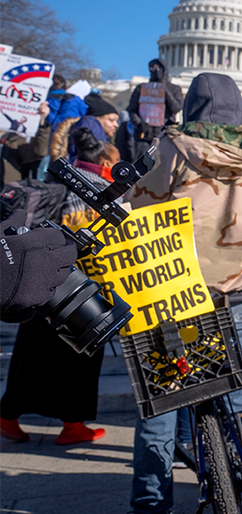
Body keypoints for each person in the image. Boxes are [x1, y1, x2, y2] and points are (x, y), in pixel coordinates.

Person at [128, 72, 242, 514]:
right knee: (238, 401)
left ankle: (151, 505)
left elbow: (136, 214)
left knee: (161, 410)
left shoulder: (169, 150)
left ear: (192, 108)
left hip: (174, 293)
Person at [0, 127, 121, 446]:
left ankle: (7, 416)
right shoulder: (103, 192)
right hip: (79, 289)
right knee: (81, 357)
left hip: (38, 279)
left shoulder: (62, 178)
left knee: (30, 354)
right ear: (107, 165)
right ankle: (73, 425)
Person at [126, 58, 184, 159]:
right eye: (152, 68)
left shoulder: (174, 89)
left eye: (158, 68)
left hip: (165, 135)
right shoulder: (141, 88)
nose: (155, 71)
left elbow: (176, 108)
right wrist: (139, 123)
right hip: (144, 135)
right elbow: (132, 109)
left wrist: (163, 89)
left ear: (164, 70)